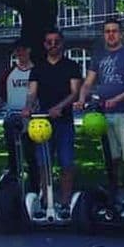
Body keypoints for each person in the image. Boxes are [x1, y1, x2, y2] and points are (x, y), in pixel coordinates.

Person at [76, 18, 124, 212]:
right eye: (107, 31)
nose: (111, 34)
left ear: (120, 34)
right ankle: (114, 198)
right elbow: (88, 83)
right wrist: (81, 98)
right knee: (112, 159)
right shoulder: (99, 56)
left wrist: (117, 99)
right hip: (105, 114)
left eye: (114, 31)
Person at [22, 29, 82, 220]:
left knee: (66, 163)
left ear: (62, 43)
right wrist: (28, 107)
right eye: (49, 42)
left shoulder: (71, 66)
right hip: (42, 122)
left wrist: (60, 107)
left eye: (56, 41)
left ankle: (64, 203)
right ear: (45, 45)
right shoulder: (38, 68)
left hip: (64, 121)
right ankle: (46, 201)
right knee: (43, 164)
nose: (53, 45)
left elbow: (75, 92)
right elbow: (32, 93)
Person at [0, 38, 38, 193]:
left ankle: (35, 189)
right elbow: (1, 94)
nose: (21, 54)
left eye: (23, 50)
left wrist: (31, 108)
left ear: (29, 50)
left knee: (31, 157)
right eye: (18, 51)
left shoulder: (36, 71)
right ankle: (14, 189)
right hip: (12, 119)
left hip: (31, 121)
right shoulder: (9, 72)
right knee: (13, 157)